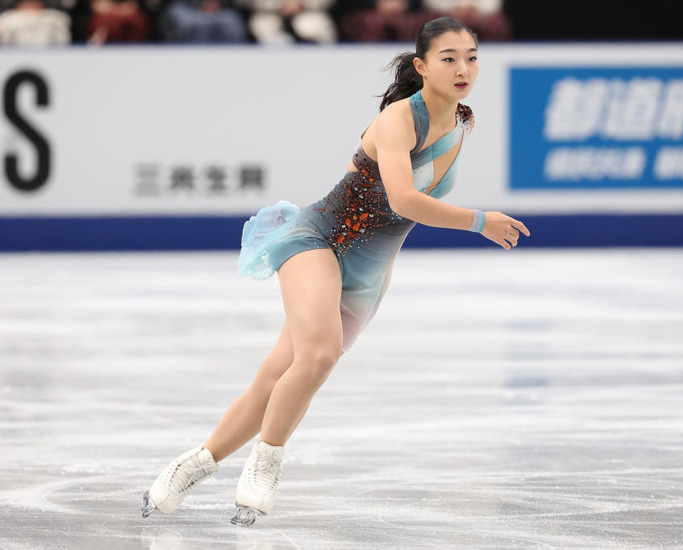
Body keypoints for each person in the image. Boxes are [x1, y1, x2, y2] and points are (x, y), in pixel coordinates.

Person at [140, 15, 529, 527]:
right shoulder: (396, 120)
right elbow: (404, 199)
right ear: (422, 65)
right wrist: (479, 222)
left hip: (370, 271)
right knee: (319, 353)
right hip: (319, 238)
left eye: (472, 57)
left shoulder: (461, 124)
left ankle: (195, 463)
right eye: (449, 58)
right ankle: (266, 463)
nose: (463, 68)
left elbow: (378, 198)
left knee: (280, 376)